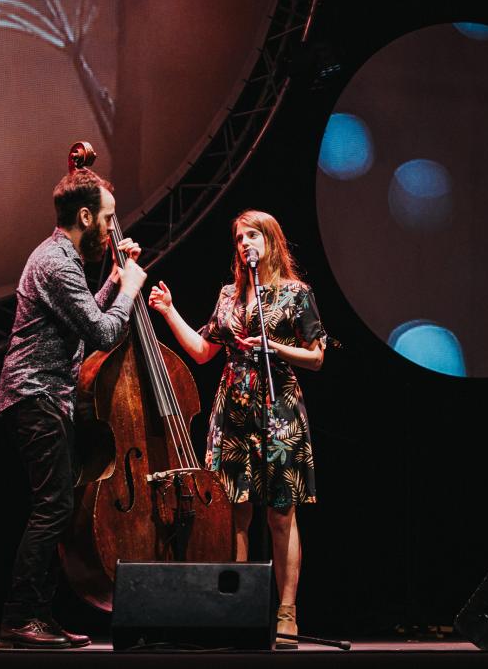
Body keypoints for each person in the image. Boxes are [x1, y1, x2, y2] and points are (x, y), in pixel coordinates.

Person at [149, 209, 326, 649]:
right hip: (233, 409)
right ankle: (239, 608)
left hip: (279, 409)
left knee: (281, 513)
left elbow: (318, 356)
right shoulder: (229, 295)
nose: (245, 242)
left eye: (253, 235)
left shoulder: (295, 293)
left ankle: (287, 611)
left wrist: (275, 346)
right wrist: (170, 312)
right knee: (235, 510)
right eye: (238, 237)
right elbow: (204, 351)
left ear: (270, 240)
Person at [0, 168, 146, 649]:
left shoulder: (62, 259)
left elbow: (85, 317)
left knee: (54, 506)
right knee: (54, 506)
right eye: (106, 218)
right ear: (85, 215)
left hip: (45, 395)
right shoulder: (58, 262)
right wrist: (128, 290)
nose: (109, 228)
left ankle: (36, 615)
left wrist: (116, 282)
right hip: (36, 393)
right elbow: (103, 332)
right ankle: (22, 617)